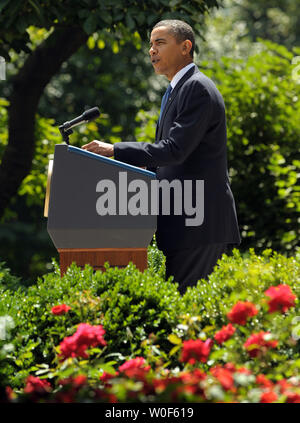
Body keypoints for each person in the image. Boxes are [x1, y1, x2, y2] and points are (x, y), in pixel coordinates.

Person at [82, 19, 241, 294]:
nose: (151, 51)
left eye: (160, 43)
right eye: (150, 44)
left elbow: (174, 150)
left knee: (190, 319)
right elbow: (171, 155)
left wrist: (115, 149)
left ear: (185, 47)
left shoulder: (197, 88)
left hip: (198, 222)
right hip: (184, 222)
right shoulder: (176, 90)